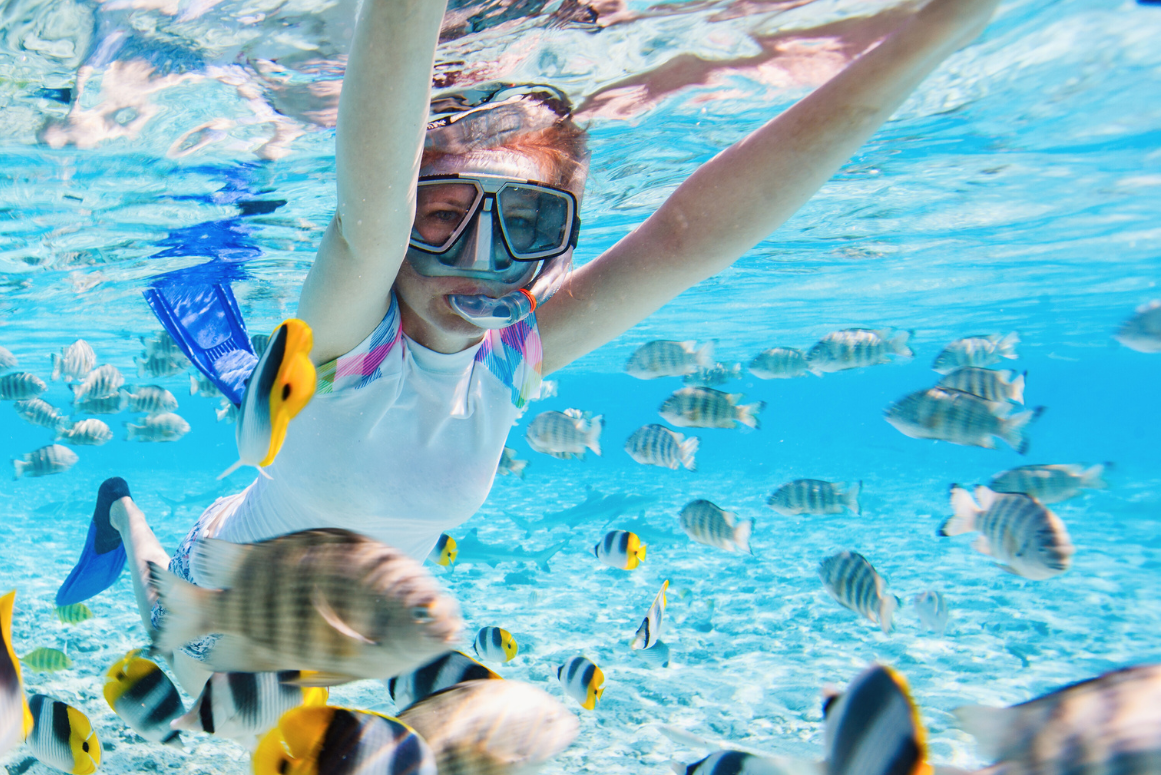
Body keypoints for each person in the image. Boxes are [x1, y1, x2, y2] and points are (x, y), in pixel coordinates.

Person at [62, 0, 1002, 689]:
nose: (482, 260)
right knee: (166, 659)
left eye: (528, 224)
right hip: (218, 598)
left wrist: (937, 29)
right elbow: (367, 219)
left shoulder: (511, 357)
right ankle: (124, 517)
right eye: (442, 215)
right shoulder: (355, 334)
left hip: (358, 641)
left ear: (564, 235)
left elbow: (688, 238)